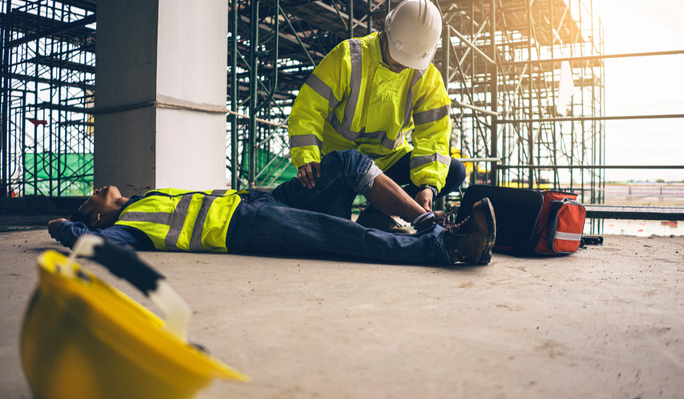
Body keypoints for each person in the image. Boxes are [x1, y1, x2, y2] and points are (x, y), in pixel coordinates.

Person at [48, 150, 496, 265]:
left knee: (344, 166)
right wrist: (66, 226)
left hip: (254, 201)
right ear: (97, 214)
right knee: (344, 239)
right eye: (90, 199)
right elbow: (91, 243)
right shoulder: (125, 227)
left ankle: (426, 222)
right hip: (245, 228)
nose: (97, 188)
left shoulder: (144, 198)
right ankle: (448, 246)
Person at [288, 0, 467, 232]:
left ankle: (378, 213)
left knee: (455, 171)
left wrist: (428, 186)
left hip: (387, 161)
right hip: (341, 165)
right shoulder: (349, 57)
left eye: (410, 62)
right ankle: (365, 210)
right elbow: (308, 108)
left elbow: (434, 136)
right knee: (336, 227)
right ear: (386, 32)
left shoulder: (427, 79)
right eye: (398, 59)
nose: (403, 66)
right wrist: (307, 157)